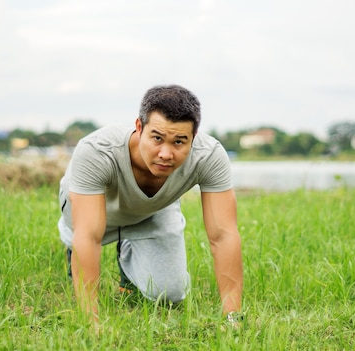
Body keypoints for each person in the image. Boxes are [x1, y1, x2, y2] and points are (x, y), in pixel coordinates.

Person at [57, 84, 243, 326]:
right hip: (95, 207)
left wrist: (233, 317)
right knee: (85, 237)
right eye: (157, 138)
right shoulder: (96, 151)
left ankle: (128, 261)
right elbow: (89, 236)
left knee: (170, 293)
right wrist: (90, 322)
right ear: (139, 127)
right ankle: (73, 249)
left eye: (179, 142)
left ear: (193, 137)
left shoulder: (209, 156)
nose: (166, 153)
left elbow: (223, 235)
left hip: (153, 210)